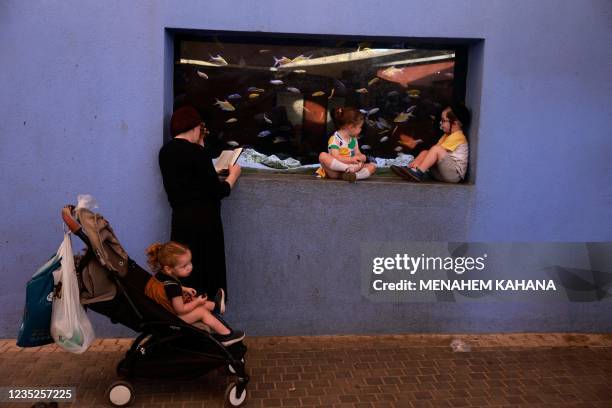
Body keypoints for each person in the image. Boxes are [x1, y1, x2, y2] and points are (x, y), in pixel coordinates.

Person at [159, 105, 241, 299]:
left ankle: (189, 317)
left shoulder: (165, 152)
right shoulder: (198, 153)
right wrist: (233, 176)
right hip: (205, 222)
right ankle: (209, 314)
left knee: (183, 271)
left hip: (180, 219)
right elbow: (218, 191)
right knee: (207, 272)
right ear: (196, 127)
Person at [144, 241, 245, 346]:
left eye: (190, 262)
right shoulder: (173, 287)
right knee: (201, 311)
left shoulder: (160, 276)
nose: (190, 267)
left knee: (191, 299)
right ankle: (226, 336)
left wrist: (184, 289)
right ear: (169, 269)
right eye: (184, 266)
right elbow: (181, 310)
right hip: (171, 320)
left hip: (163, 314)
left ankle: (216, 306)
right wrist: (197, 302)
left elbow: (165, 288)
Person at [391, 104, 470, 183]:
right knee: (426, 152)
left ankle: (418, 172)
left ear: (455, 124)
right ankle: (412, 170)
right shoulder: (446, 135)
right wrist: (422, 156)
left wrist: (421, 159)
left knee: (435, 149)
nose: (440, 123)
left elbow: (436, 150)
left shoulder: (458, 136)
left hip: (454, 175)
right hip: (444, 173)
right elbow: (431, 153)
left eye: (443, 120)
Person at [316, 107, 376, 182]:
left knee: (372, 166)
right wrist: (350, 161)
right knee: (323, 156)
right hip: (336, 170)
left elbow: (357, 153)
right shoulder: (335, 139)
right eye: (360, 127)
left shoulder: (353, 139)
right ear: (351, 126)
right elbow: (336, 156)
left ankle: (355, 176)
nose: (361, 130)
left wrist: (361, 157)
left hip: (353, 168)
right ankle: (347, 170)